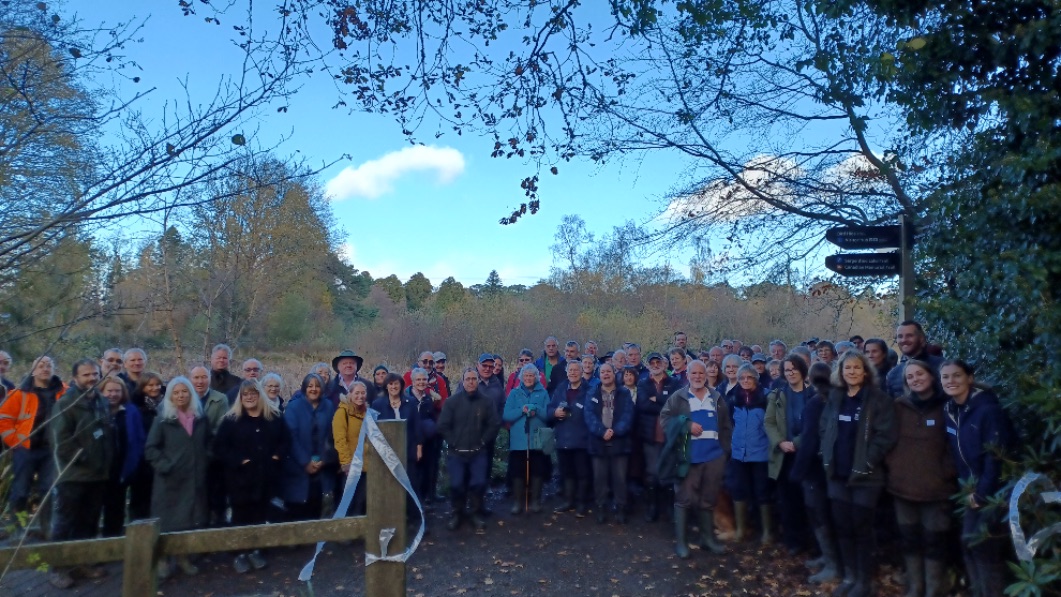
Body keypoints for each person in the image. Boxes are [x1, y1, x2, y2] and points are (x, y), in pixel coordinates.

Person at [820, 350, 897, 597]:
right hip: (838, 475)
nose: (851, 372)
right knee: (843, 527)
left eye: (856, 367)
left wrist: (867, 462)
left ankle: (865, 581)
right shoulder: (835, 397)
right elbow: (824, 427)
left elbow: (885, 436)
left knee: (862, 528)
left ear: (865, 371)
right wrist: (826, 454)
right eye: (847, 368)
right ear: (840, 372)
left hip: (866, 476)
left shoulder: (878, 399)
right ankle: (850, 576)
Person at [941, 360, 1014, 597]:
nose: (951, 381)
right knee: (968, 542)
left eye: (956, 375)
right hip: (970, 489)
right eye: (945, 377)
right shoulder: (951, 410)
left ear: (969, 378)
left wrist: (982, 493)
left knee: (985, 547)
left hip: (994, 491)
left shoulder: (988, 410)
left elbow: (996, 457)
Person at [885, 359, 956, 597]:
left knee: (935, 541)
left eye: (919, 374)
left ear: (932, 376)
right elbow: (886, 439)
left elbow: (956, 444)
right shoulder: (899, 406)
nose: (915, 379)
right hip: (902, 487)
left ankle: (933, 589)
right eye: (910, 376)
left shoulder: (947, 406)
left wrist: (946, 471)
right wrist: (894, 466)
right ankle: (915, 587)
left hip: (937, 489)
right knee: (909, 539)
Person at [658, 359, 732, 558]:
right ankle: (681, 543)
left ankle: (707, 540)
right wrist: (686, 425)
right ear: (687, 375)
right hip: (688, 457)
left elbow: (726, 426)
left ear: (706, 375)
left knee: (708, 499)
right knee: (684, 498)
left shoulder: (716, 397)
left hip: (714, 458)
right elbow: (665, 419)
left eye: (701, 373)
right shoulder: (679, 397)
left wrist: (724, 453)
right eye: (694, 373)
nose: (698, 376)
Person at [48, 360, 112, 587]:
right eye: (86, 375)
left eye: (95, 374)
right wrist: (85, 459)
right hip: (73, 475)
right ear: (75, 378)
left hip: (98, 475)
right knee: (65, 522)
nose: (92, 378)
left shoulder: (101, 401)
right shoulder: (66, 404)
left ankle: (83, 562)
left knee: (89, 521)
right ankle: (58, 568)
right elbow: (61, 442)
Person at [214, 379, 289, 573]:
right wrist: (239, 461)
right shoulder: (231, 420)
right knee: (240, 515)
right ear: (240, 397)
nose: (249, 397)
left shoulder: (273, 417)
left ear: (259, 395)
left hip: (265, 477)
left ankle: (256, 550)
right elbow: (220, 447)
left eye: (253, 394)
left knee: (260, 514)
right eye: (245, 394)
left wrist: (276, 456)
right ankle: (239, 553)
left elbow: (285, 440)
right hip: (240, 479)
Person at [144, 376, 211, 579]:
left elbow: (209, 443)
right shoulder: (163, 419)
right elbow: (151, 448)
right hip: (170, 480)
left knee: (188, 520)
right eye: (176, 392)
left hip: (194, 478)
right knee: (167, 522)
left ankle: (183, 558)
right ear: (170, 396)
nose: (180, 395)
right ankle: (163, 559)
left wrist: (206, 460)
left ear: (190, 394)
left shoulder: (201, 418)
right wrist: (166, 466)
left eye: (184, 391)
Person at [0, 356, 65, 540]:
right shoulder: (19, 393)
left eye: (49, 365)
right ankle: (16, 530)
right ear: (33, 370)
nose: (45, 368)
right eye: (41, 365)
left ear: (54, 369)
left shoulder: (63, 391)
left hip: (51, 450)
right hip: (25, 449)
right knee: (20, 491)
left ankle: (48, 529)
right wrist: (15, 440)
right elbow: (4, 419)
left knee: (49, 490)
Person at [438, 367, 501, 531]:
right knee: (457, 484)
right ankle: (457, 513)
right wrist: (453, 442)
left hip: (478, 452)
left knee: (478, 482)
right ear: (462, 381)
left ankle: (475, 513)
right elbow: (443, 425)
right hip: (456, 453)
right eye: (468, 379)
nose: (471, 382)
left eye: (474, 379)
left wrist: (483, 441)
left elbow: (494, 424)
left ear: (478, 381)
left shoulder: (486, 402)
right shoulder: (452, 402)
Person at [764, 356, 814, 554]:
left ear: (802, 370)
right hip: (784, 455)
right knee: (787, 500)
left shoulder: (813, 395)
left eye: (794, 369)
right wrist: (780, 442)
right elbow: (769, 422)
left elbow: (816, 424)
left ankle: (812, 541)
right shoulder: (777, 395)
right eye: (787, 370)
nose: (791, 373)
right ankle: (793, 541)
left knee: (808, 500)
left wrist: (797, 442)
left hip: (807, 455)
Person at [583, 363, 634, 524]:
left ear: (614, 373)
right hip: (598, 442)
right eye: (603, 372)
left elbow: (628, 415)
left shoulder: (624, 393)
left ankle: (621, 508)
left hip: (620, 442)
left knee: (620, 478)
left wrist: (615, 431)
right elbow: (589, 415)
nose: (606, 374)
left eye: (608, 371)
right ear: (599, 375)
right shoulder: (592, 392)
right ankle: (600, 507)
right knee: (600, 478)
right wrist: (601, 431)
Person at [727, 364, 772, 544]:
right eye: (742, 378)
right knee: (738, 490)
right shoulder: (733, 398)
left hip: (761, 453)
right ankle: (741, 529)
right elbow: (729, 424)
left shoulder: (767, 397)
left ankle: (767, 531)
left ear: (756, 379)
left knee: (763, 491)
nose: (745, 381)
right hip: (738, 453)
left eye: (749, 377)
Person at [283, 373, 338, 520]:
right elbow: (291, 437)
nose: (314, 389)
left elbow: (332, 435)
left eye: (317, 386)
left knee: (317, 510)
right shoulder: (293, 407)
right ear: (304, 388)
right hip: (298, 468)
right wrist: (305, 462)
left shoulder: (329, 406)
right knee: (297, 512)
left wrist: (324, 459)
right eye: (310, 386)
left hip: (322, 467)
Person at [636, 352, 682, 522]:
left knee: (669, 472)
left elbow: (676, 405)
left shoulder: (674, 382)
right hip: (650, 435)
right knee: (652, 473)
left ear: (664, 364)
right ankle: (652, 506)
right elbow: (643, 405)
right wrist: (665, 402)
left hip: (669, 435)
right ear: (648, 365)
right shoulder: (643, 383)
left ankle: (669, 508)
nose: (655, 365)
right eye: (652, 363)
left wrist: (656, 398)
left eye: (658, 362)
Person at [99, 377, 145, 537]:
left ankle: (113, 541)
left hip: (122, 468)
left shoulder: (131, 411)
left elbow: (139, 438)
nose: (113, 394)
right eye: (109, 391)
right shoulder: (96, 410)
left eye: (117, 391)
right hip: (98, 468)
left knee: (116, 508)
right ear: (102, 392)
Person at [503, 364, 550, 514]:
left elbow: (548, 415)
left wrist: (536, 409)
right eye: (526, 375)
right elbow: (506, 415)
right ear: (521, 377)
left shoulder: (543, 393)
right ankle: (517, 502)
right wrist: (521, 410)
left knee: (538, 469)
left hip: (538, 437)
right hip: (519, 438)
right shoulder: (514, 393)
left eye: (531, 375)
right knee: (517, 470)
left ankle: (536, 501)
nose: (528, 378)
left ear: (536, 377)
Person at [548, 361, 592, 516]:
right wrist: (555, 413)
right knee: (567, 473)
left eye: (576, 370)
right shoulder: (561, 388)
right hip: (563, 438)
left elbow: (593, 413)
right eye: (570, 370)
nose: (573, 373)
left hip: (582, 439)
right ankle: (568, 501)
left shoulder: (589, 390)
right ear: (566, 372)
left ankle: (582, 503)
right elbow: (550, 408)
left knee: (582, 473)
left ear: (581, 372)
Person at [190, 364, 230, 527]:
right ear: (190, 379)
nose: (200, 381)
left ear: (209, 379)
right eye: (196, 377)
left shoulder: (220, 399)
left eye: (204, 377)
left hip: (212, 455)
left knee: (215, 495)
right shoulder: (184, 397)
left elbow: (221, 427)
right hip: (189, 457)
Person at [374, 371, 423, 503]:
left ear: (401, 385)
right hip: (387, 451)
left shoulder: (410, 402)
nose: (393, 387)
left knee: (411, 481)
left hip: (408, 448)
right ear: (386, 386)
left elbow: (417, 426)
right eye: (390, 384)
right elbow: (374, 429)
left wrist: (419, 448)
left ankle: (413, 511)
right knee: (390, 482)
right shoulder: (377, 404)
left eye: (396, 384)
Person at [129, 371, 166, 520]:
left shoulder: (167, 404)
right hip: (142, 461)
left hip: (162, 457)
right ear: (142, 387)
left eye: (157, 384)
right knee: (141, 500)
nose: (155, 388)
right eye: (150, 385)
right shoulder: (135, 407)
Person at [333, 381, 369, 515]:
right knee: (349, 505)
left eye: (363, 393)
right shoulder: (342, 413)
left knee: (361, 503)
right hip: (351, 468)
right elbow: (340, 440)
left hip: (366, 466)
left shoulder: (368, 413)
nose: (360, 396)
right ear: (350, 394)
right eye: (357, 393)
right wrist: (346, 464)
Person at [886, 321, 945, 398]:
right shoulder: (893, 375)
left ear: (921, 338)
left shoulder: (942, 366)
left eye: (909, 336)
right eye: (900, 336)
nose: (904, 340)